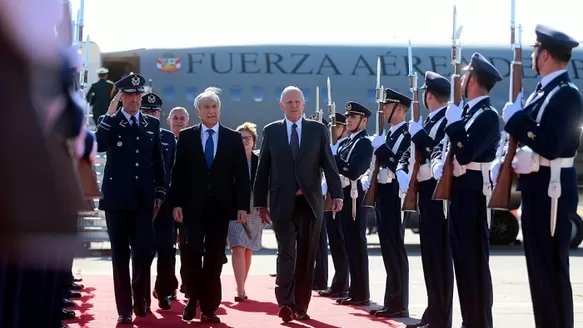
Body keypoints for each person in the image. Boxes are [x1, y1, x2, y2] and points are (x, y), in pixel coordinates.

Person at [496, 25, 582, 328]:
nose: (532, 57)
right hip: (538, 189)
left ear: (544, 54)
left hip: (552, 191)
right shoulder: (543, 92)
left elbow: (551, 143)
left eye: (535, 51)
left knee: (550, 269)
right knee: (538, 270)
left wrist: (517, 120)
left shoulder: (566, 95)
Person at [253, 86, 343, 322]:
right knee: (286, 254)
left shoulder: (318, 130)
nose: (293, 105)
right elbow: (263, 170)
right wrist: (260, 203)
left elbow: (328, 164)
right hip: (282, 203)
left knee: (306, 257)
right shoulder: (271, 131)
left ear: (303, 105)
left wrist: (337, 195)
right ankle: (284, 303)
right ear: (281, 105)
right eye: (288, 102)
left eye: (297, 102)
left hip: (310, 203)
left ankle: (301, 306)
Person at [431, 52, 503, 328]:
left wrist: (456, 126)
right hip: (461, 191)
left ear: (472, 80)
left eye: (465, 74)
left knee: (474, 263)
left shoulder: (486, 116)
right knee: (461, 262)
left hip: (475, 193)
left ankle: (480, 322)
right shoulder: (468, 113)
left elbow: (466, 153)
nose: (460, 79)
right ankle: (468, 320)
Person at [170, 87, 250, 323]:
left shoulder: (232, 138)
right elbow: (178, 173)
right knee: (192, 253)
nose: (211, 111)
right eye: (206, 107)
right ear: (198, 111)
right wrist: (176, 203)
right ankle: (192, 298)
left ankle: (209, 307)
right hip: (192, 207)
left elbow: (241, 176)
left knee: (215, 257)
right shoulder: (186, 137)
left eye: (215, 106)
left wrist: (242, 206)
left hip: (220, 208)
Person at [95, 73, 167, 324]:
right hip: (117, 199)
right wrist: (108, 112)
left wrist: (160, 191)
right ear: (122, 97)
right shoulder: (111, 122)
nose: (135, 99)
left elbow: (157, 162)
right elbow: (100, 145)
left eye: (138, 95)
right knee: (120, 256)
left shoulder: (151, 124)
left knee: (145, 249)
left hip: (143, 200)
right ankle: (124, 308)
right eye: (130, 95)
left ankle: (141, 296)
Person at [396, 71, 453, 328]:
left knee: (439, 258)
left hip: (437, 195)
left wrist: (419, 136)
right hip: (425, 194)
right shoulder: (428, 121)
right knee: (429, 257)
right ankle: (433, 314)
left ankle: (441, 318)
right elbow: (413, 153)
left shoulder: (445, 120)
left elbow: (437, 149)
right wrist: (402, 170)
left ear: (429, 96)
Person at [366, 88, 411, 318]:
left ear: (400, 109)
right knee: (387, 249)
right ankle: (391, 300)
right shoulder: (390, 134)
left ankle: (400, 302)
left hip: (396, 196)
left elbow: (399, 162)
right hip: (383, 195)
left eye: (388, 105)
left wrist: (382, 149)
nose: (383, 108)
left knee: (395, 248)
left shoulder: (406, 134)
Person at [332, 102, 373, 306]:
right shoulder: (348, 143)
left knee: (357, 244)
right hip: (346, 196)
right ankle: (354, 290)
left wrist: (334, 159)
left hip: (356, 198)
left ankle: (361, 292)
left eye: (353, 117)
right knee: (349, 244)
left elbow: (354, 171)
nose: (348, 120)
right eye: (347, 117)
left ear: (364, 121)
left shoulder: (364, 143)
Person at [139, 92, 177, 309]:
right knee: (143, 251)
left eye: (154, 111)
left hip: (165, 204)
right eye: (146, 111)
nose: (151, 114)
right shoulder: (134, 135)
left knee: (166, 251)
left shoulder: (168, 137)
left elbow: (174, 170)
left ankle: (164, 292)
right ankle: (142, 296)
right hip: (142, 202)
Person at [227, 121, 265, 302]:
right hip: (235, 207)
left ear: (254, 141)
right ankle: (240, 289)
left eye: (248, 138)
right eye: (241, 138)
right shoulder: (229, 159)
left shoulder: (260, 161)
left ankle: (242, 282)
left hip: (256, 208)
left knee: (248, 248)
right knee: (237, 246)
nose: (244, 141)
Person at [317, 113, 350, 298]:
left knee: (341, 240)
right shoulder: (335, 146)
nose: (333, 130)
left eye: (336, 126)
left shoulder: (345, 146)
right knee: (334, 241)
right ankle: (338, 283)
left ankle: (343, 283)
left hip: (344, 197)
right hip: (328, 196)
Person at [166, 106, 190, 297]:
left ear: (187, 121)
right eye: (175, 118)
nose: (179, 121)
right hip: (166, 203)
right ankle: (169, 286)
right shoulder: (162, 140)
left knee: (187, 247)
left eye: (182, 118)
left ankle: (188, 285)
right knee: (167, 247)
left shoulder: (193, 141)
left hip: (187, 204)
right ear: (169, 120)